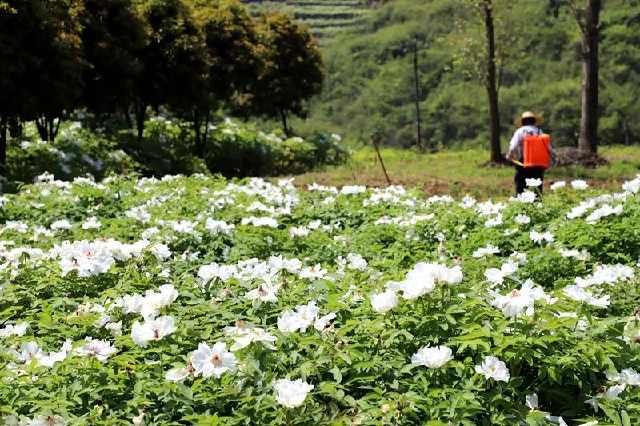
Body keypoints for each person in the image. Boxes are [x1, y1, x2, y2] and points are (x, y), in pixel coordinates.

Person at [507, 111, 555, 195]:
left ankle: (522, 205)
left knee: (521, 187)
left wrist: (509, 155)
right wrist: (553, 157)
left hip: (524, 164)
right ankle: (537, 205)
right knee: (537, 189)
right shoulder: (539, 131)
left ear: (523, 121)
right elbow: (549, 148)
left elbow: (513, 146)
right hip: (538, 164)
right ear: (534, 121)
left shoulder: (520, 131)